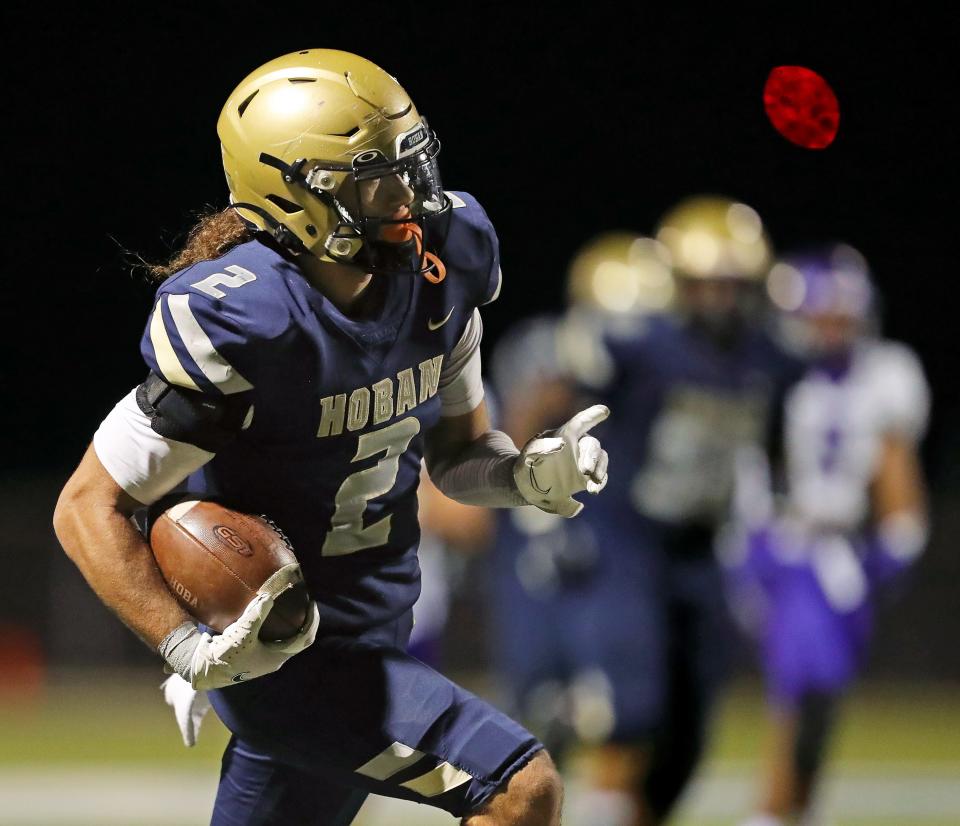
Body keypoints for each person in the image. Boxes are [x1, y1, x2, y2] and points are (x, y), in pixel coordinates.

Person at [52, 49, 611, 826]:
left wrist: (520, 477)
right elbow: (88, 505)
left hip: (378, 631)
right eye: (376, 176)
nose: (411, 195)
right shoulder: (249, 323)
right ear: (296, 194)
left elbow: (455, 457)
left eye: (412, 165)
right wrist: (185, 646)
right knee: (522, 788)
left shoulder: (438, 275)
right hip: (290, 663)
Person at [488, 201, 801, 826]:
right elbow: (555, 384)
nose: (718, 299)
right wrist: (518, 469)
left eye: (732, 284)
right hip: (628, 542)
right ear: (677, 284)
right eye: (705, 283)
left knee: (690, 724)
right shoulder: (644, 344)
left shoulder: (767, 355)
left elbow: (784, 431)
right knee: (627, 707)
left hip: (702, 545)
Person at [730, 244, 930, 826]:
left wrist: (898, 542)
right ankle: (770, 810)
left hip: (842, 555)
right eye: (819, 317)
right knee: (800, 680)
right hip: (782, 543)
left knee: (823, 693)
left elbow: (897, 474)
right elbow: (746, 465)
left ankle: (795, 809)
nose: (829, 330)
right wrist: (747, 542)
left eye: (840, 317)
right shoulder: (766, 374)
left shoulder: (887, 373)